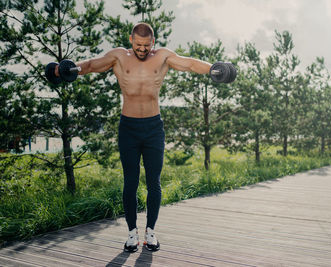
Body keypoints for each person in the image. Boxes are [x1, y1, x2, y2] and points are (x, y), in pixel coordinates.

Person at [54, 22, 234, 252]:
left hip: (153, 128)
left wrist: (214, 68)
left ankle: (150, 232)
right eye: (138, 45)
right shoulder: (119, 57)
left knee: (153, 183)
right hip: (128, 128)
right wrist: (67, 69)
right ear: (131, 40)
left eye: (146, 45)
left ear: (153, 43)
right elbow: (90, 65)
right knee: (130, 182)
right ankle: (131, 233)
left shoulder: (162, 57)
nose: (142, 49)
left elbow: (189, 64)